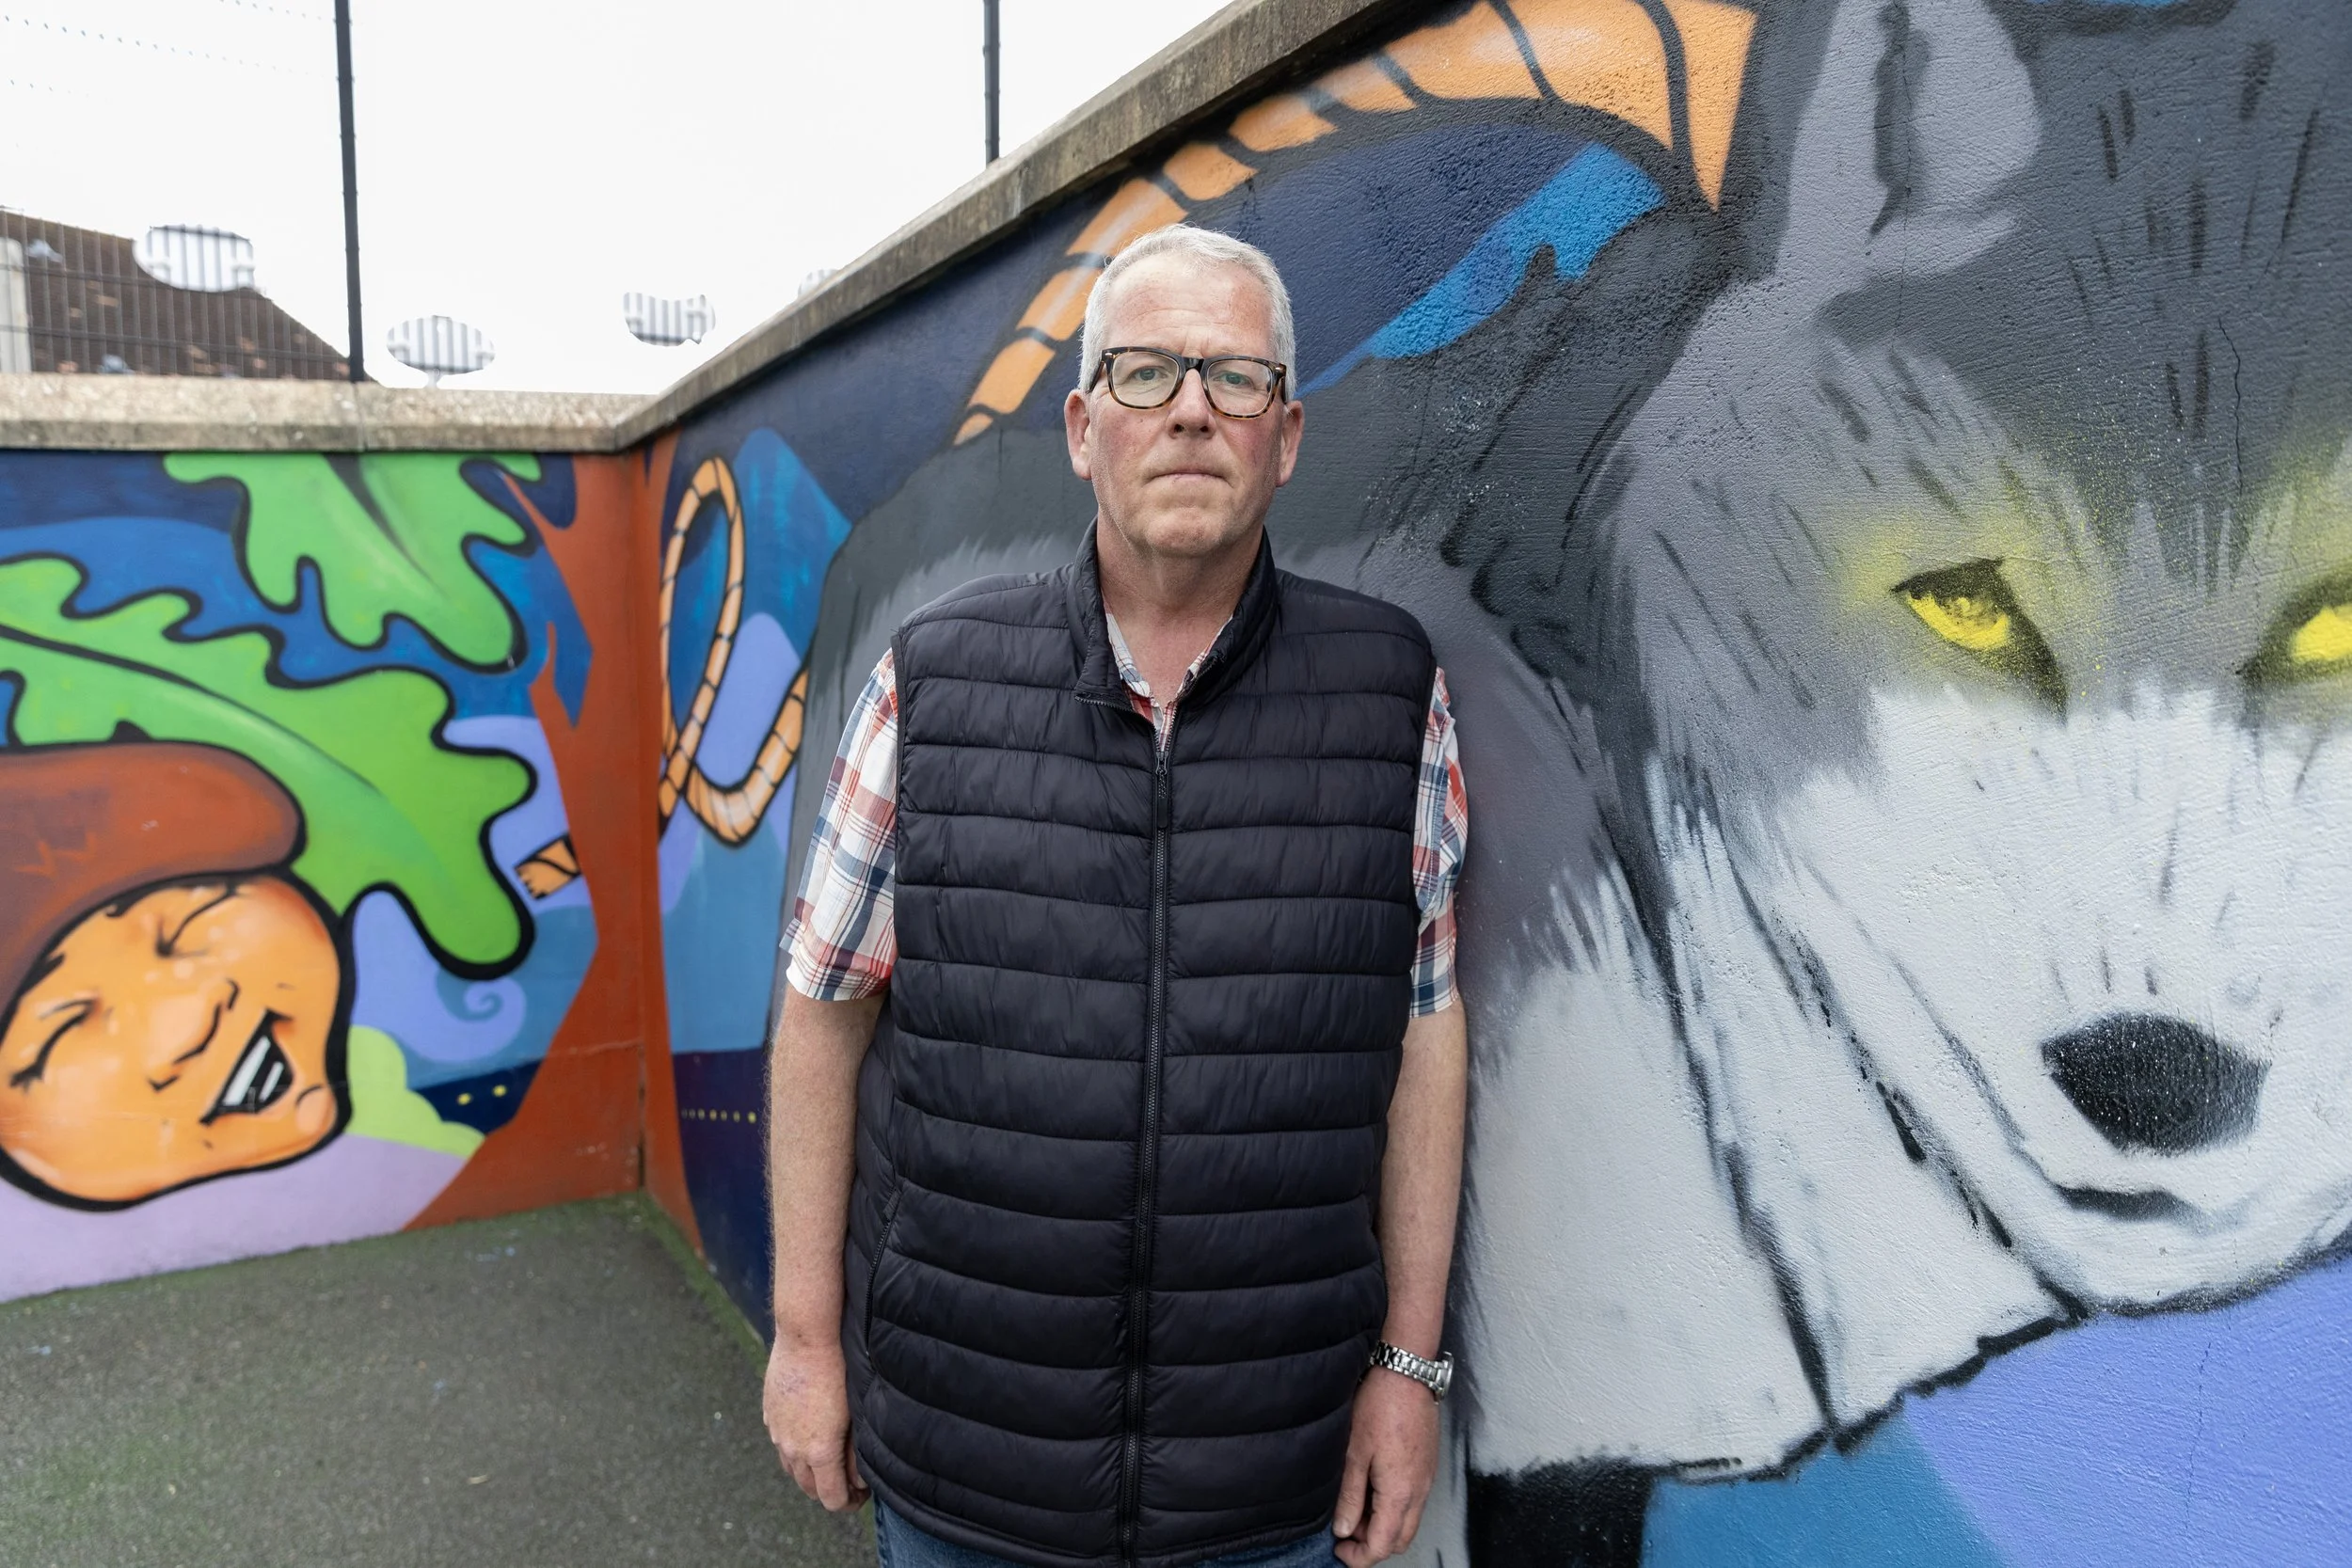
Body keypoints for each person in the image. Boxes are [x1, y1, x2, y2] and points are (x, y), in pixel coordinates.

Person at [762, 224, 1469, 1568]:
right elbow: (820, 1011)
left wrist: (1411, 1366)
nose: (1192, 408)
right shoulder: (937, 682)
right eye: (1147, 374)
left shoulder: (1391, 692)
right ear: (1084, 427)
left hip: (1270, 1490)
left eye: (1235, 378)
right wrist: (805, 1341)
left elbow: (1423, 1034)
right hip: (969, 1477)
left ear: (1289, 433)